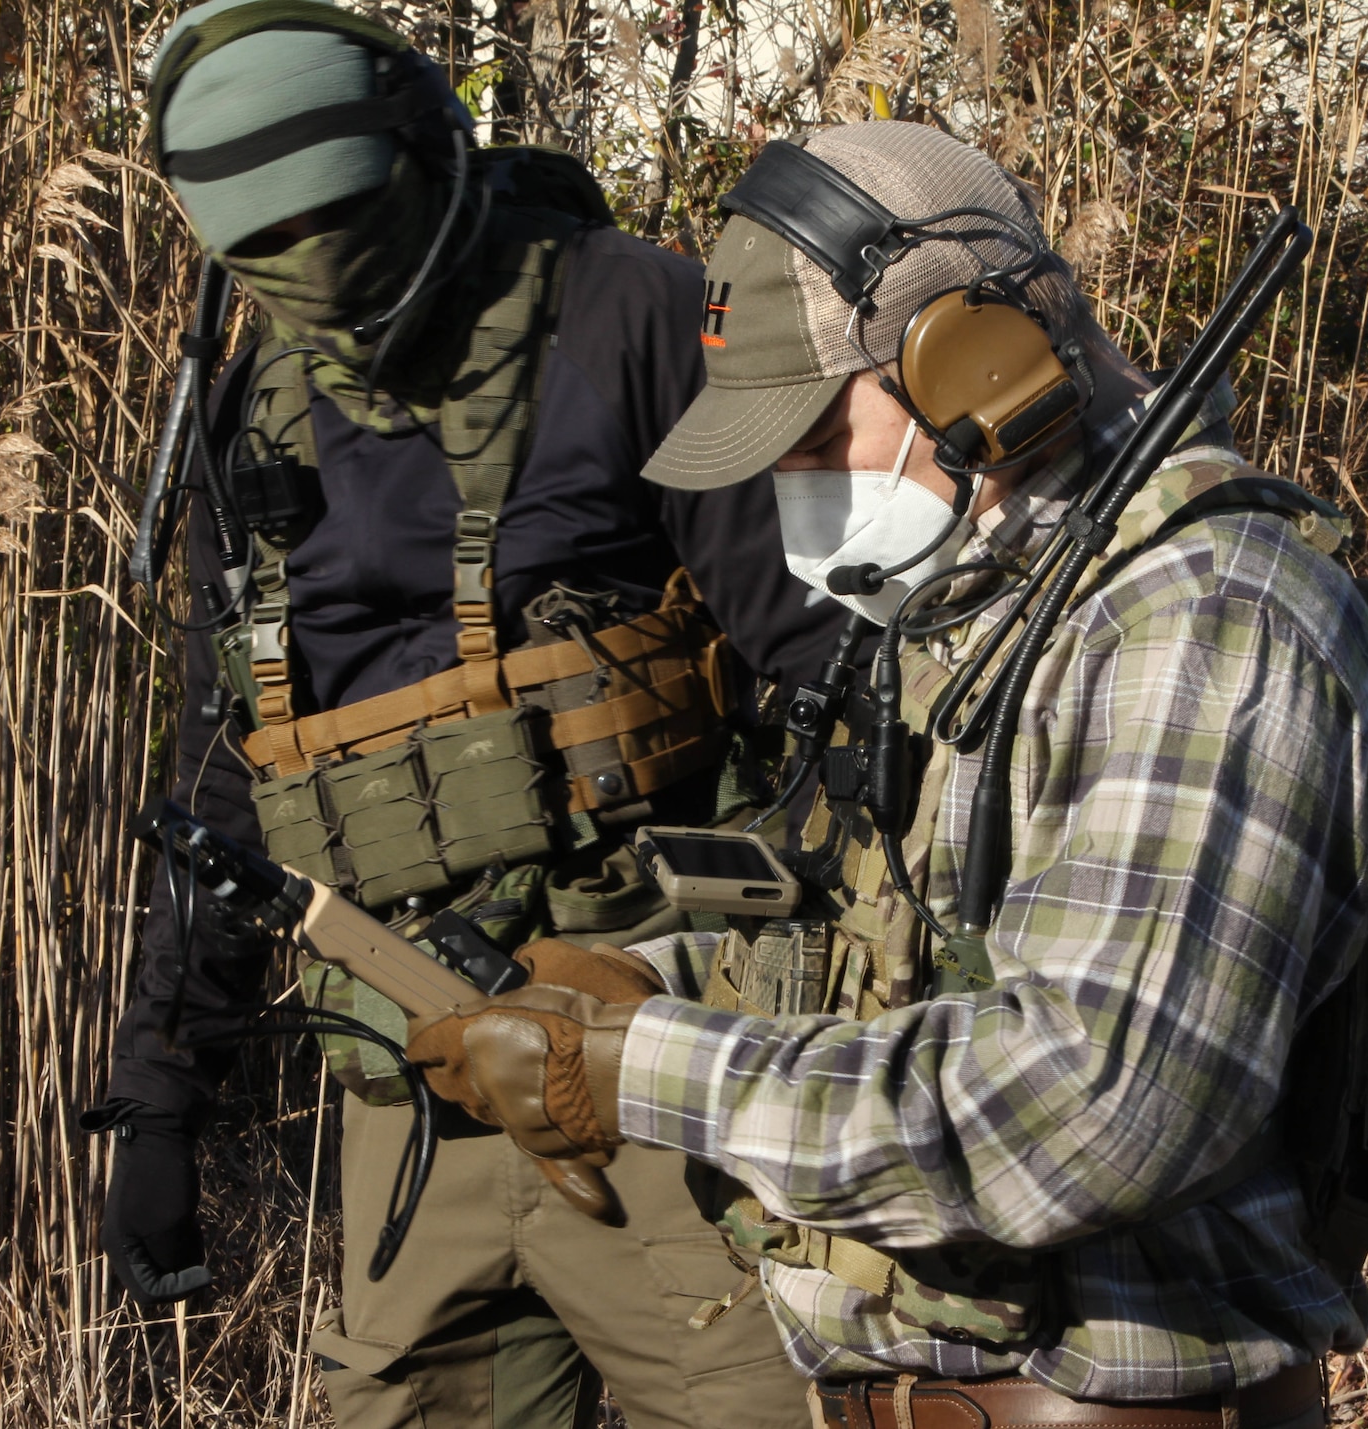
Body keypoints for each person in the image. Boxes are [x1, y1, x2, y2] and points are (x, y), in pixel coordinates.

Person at [406, 120, 1368, 1429]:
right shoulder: (979, 615)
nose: (794, 487)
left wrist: (641, 1064)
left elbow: (1090, 1108)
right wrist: (658, 979)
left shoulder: (1207, 622)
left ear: (974, 365)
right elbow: (910, 969)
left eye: (819, 434)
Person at [86, 5, 842, 1428]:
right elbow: (229, 769)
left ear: (425, 152)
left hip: (660, 1077)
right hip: (411, 1100)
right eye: (265, 252)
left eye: (341, 222)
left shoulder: (634, 318)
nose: (316, 277)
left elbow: (835, 691)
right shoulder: (252, 415)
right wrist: (159, 1087)